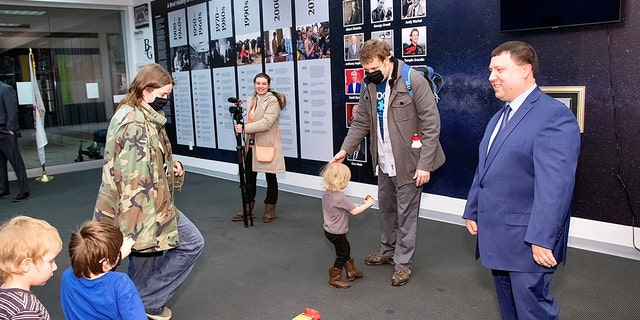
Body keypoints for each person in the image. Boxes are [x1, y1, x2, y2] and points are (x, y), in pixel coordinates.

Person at [462, 41, 580, 320]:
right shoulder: (498, 117)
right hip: (497, 237)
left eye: (500, 69)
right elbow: (486, 169)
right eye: (490, 70)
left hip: (527, 242)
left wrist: (542, 238)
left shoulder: (554, 115)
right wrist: (473, 208)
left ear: (526, 70)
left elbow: (555, 186)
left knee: (533, 312)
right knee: (510, 310)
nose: (491, 76)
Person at [94, 63, 204, 320]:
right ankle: (143, 302)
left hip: (148, 204)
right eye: (163, 95)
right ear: (146, 90)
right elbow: (135, 183)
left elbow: (143, 165)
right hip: (142, 208)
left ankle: (139, 307)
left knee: (145, 263)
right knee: (191, 244)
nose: (166, 100)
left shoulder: (139, 114)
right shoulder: (135, 123)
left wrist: (169, 166)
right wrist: (136, 230)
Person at [330, 39, 445, 286]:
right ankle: (387, 251)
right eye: (365, 70)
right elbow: (361, 121)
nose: (369, 74)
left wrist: (424, 164)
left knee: (406, 214)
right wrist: (345, 150)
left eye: (373, 69)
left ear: (387, 59)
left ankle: (402, 263)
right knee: (387, 210)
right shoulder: (369, 85)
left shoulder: (413, 80)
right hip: (383, 161)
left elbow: (431, 125)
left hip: (410, 162)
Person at [60, 221, 145, 320]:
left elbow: (96, 271)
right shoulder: (120, 283)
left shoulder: (67, 276)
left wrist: (113, 258)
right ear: (105, 264)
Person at [231, 73, 286, 223]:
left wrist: (244, 128)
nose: (260, 86)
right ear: (254, 85)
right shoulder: (253, 100)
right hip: (251, 144)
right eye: (258, 83)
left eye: (264, 83)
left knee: (271, 176)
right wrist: (245, 127)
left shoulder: (273, 100)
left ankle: (270, 208)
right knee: (249, 176)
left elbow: (267, 123)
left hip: (267, 144)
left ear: (268, 85)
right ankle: (248, 209)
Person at [320, 162, 376, 288]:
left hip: (329, 230)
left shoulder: (327, 194)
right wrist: (368, 204)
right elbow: (354, 211)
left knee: (346, 248)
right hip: (337, 232)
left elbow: (339, 207)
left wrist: (352, 205)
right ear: (341, 181)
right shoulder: (340, 197)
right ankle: (335, 278)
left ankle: (351, 271)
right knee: (342, 255)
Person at [0, 216, 62, 320]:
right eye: (51, 261)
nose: (55, 267)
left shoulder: (5, 297)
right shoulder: (25, 310)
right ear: (26, 265)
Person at [0, 80, 29, 202]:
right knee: (0, 164)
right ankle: (3, 189)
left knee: (16, 162)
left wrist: (11, 129)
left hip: (6, 132)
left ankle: (24, 190)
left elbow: (12, 110)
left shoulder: (6, 89)